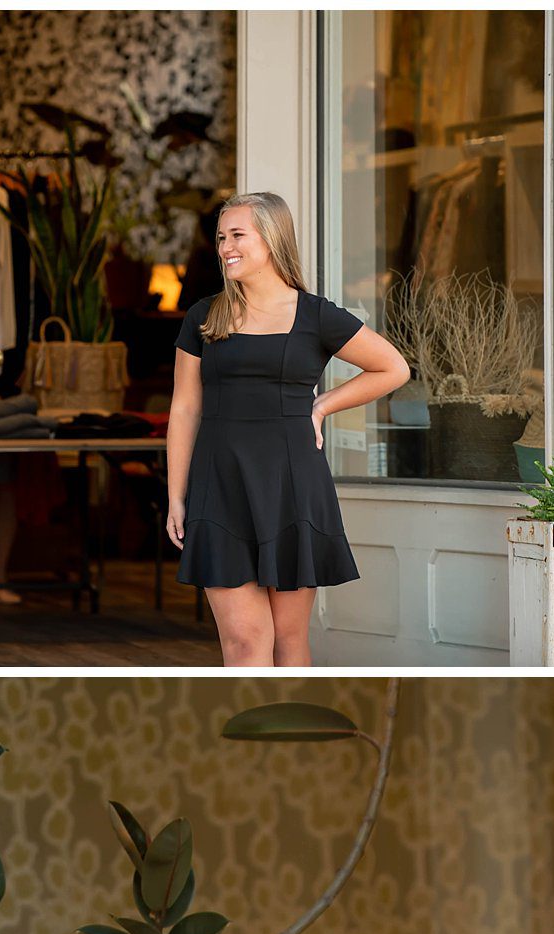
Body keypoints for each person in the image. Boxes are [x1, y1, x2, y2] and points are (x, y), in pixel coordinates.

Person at [166, 193, 408, 668]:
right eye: (221, 237)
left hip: (293, 486)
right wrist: (177, 495)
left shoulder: (315, 314)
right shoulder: (204, 315)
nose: (225, 247)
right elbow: (184, 408)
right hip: (221, 485)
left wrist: (323, 405)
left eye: (238, 235)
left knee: (289, 640)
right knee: (243, 640)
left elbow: (393, 368)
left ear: (272, 239)